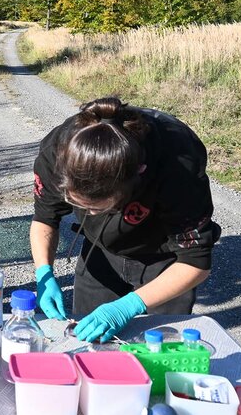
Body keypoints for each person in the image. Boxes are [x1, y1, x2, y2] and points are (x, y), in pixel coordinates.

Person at [31, 96, 220, 342]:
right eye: (80, 205)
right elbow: (45, 218)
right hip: (99, 250)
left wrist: (129, 306)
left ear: (138, 175)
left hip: (165, 259)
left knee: (156, 348)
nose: (89, 212)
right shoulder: (58, 153)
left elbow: (196, 262)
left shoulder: (178, 167)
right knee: (88, 341)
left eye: (97, 208)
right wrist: (44, 273)